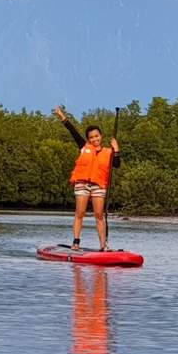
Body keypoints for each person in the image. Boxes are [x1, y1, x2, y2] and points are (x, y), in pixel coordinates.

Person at [53, 105, 120, 251]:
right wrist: (61, 116)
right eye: (91, 137)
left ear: (101, 136)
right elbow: (73, 131)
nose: (94, 139)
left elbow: (116, 165)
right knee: (80, 213)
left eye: (96, 136)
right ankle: (76, 242)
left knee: (99, 215)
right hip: (82, 184)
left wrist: (116, 149)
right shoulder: (84, 147)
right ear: (88, 139)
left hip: (98, 186)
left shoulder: (109, 152)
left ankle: (103, 246)